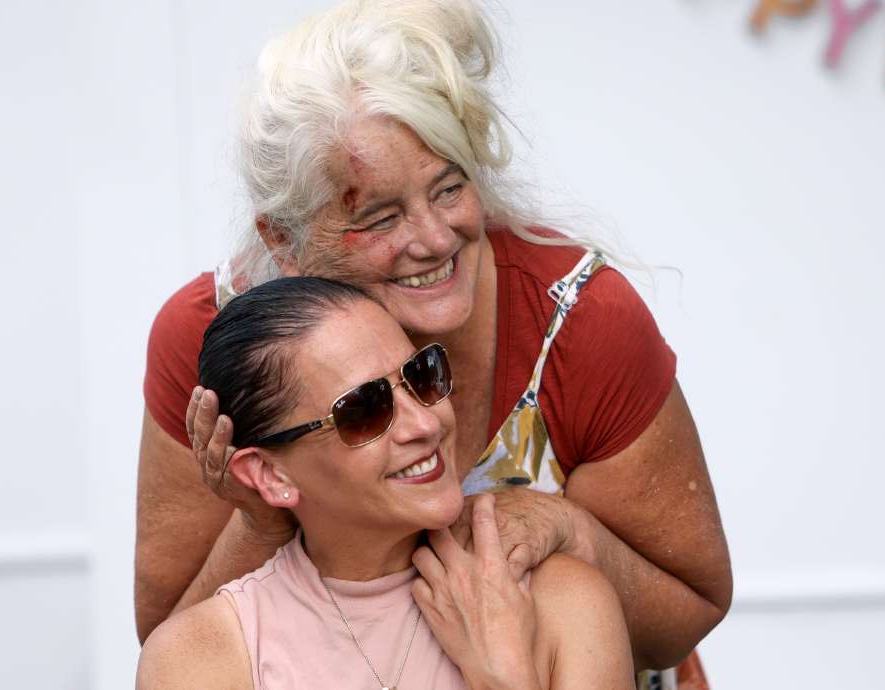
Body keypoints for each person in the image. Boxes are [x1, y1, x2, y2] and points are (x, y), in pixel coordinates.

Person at [136, 1, 731, 686]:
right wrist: (262, 523)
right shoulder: (211, 345)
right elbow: (180, 647)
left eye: (449, 188)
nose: (435, 238)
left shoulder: (578, 321)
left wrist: (571, 532)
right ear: (283, 239)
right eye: (381, 216)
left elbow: (692, 604)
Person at [137, 276, 634, 689]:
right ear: (271, 474)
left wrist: (504, 680)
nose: (426, 424)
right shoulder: (199, 660)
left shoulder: (566, 605)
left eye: (422, 375)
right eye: (365, 411)